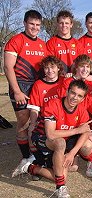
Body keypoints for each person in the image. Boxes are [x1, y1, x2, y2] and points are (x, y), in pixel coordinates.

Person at [14, 80, 92, 198]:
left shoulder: (81, 109)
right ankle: (60, 187)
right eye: (73, 93)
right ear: (67, 92)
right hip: (42, 138)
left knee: (62, 175)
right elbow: (51, 134)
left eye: (79, 96)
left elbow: (85, 131)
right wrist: (77, 130)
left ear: (83, 99)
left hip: (63, 141)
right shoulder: (53, 104)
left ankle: (30, 167)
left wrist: (72, 153)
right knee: (60, 143)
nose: (75, 98)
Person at [4, 10, 47, 175]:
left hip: (36, 86)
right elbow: (8, 67)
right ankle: (25, 157)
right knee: (23, 123)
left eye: (37, 25)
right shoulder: (16, 40)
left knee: (35, 123)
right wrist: (17, 91)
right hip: (20, 86)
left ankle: (35, 156)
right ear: (24, 23)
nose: (34, 28)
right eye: (31, 24)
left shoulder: (43, 44)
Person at [26, 56, 64, 161]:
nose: (50, 70)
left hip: (62, 120)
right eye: (46, 68)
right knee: (31, 129)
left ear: (58, 68)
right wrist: (32, 124)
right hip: (45, 121)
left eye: (53, 67)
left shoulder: (64, 81)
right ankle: (34, 155)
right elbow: (34, 108)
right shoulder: (38, 84)